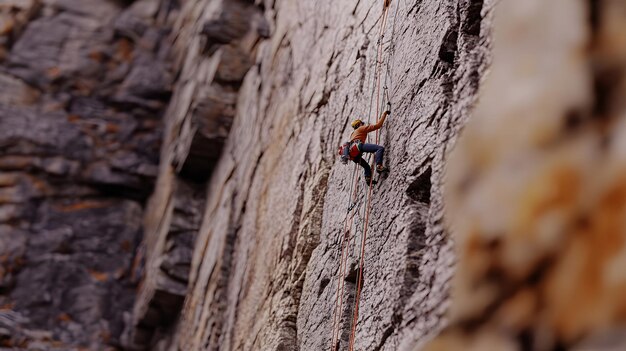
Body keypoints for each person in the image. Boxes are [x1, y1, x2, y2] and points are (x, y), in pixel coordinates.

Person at [349, 103, 390, 185]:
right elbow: (378, 125)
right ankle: (379, 166)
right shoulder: (361, 128)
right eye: (362, 123)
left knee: (366, 166)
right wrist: (384, 114)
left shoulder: (352, 134)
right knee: (380, 148)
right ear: (359, 124)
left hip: (353, 155)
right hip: (359, 147)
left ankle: (368, 178)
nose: (363, 124)